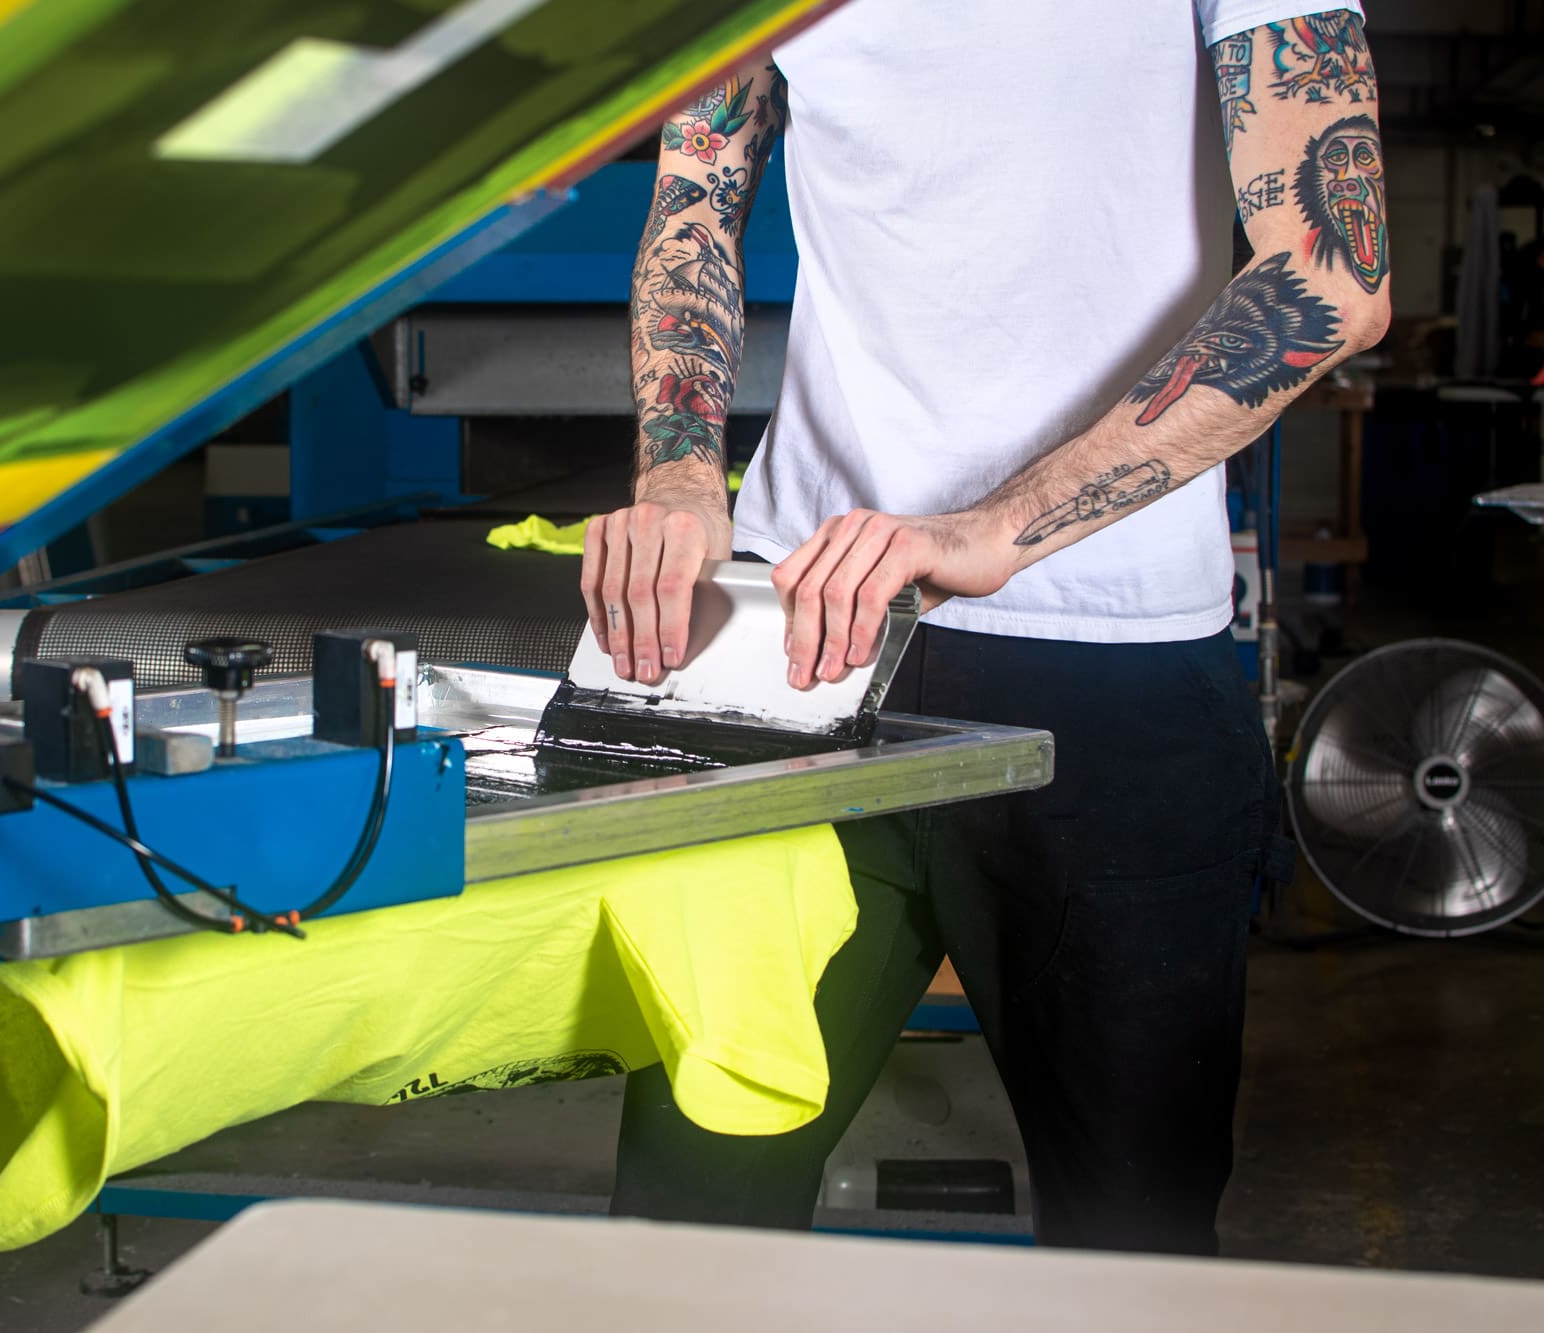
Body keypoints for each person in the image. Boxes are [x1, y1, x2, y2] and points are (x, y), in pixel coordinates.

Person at [585, 4, 1388, 1253]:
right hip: (803, 644)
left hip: (1107, 675)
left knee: (1133, 1248)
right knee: (688, 1219)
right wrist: (681, 471)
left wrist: (991, 532)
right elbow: (696, 192)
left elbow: (1331, 275)